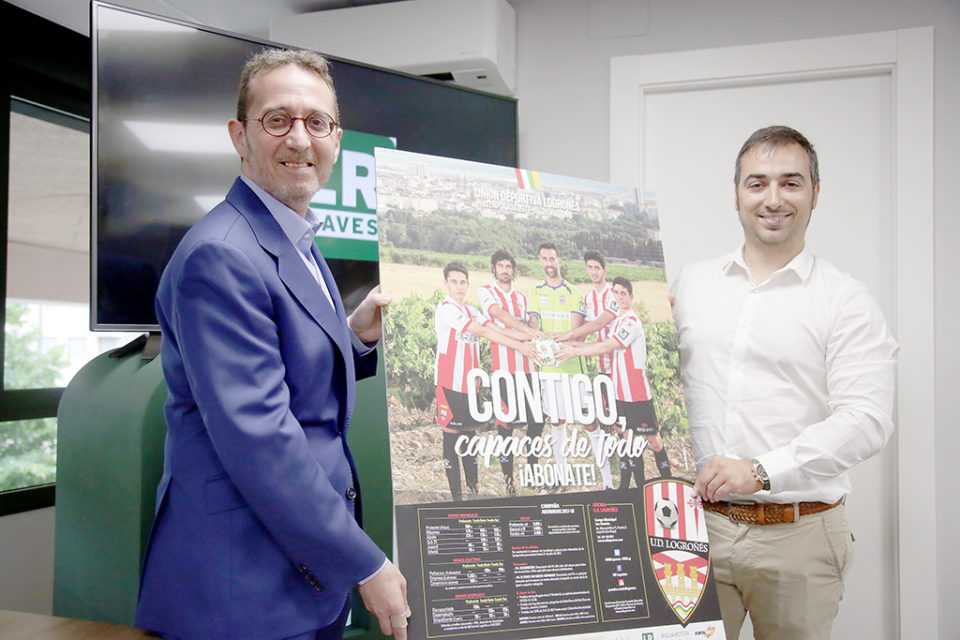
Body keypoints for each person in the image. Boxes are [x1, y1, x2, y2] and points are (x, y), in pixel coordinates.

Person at [135, 49, 409, 640]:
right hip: (240, 584)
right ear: (240, 135)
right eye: (277, 120)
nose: (300, 139)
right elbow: (259, 437)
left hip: (293, 568)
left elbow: (289, 366)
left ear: (337, 138)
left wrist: (354, 333)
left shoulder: (291, 234)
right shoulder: (221, 254)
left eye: (318, 122)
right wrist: (364, 560)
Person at [671, 125, 898, 640]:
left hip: (800, 535)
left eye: (791, 183)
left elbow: (865, 421)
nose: (773, 199)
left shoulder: (845, 300)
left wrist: (761, 471)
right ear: (736, 194)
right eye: (757, 183)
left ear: (815, 193)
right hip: (691, 531)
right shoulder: (690, 284)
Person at [434, 262, 537, 501]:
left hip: (472, 386)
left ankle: (473, 491)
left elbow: (498, 330)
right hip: (449, 383)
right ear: (446, 283)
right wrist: (521, 345)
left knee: (470, 439)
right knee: (451, 438)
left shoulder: (472, 311)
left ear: (467, 284)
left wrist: (535, 336)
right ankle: (456, 498)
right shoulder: (446, 308)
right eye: (454, 282)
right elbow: (485, 333)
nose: (459, 287)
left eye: (463, 282)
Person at [557, 276, 671, 488]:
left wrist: (574, 351)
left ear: (631, 296)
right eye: (615, 293)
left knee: (653, 441)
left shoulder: (631, 322)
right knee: (628, 441)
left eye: (623, 293)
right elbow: (600, 343)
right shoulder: (617, 321)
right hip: (619, 392)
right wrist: (566, 342)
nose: (619, 297)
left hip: (637, 393)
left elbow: (606, 346)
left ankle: (669, 485)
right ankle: (638, 489)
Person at [549, 250, 619, 489]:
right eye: (589, 267)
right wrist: (567, 344)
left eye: (596, 268)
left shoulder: (614, 294)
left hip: (619, 365)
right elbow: (587, 330)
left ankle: (622, 478)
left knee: (620, 425)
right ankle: (609, 481)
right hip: (599, 367)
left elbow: (601, 323)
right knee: (599, 421)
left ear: (604, 270)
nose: (593, 272)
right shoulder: (588, 299)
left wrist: (568, 337)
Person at [476, 250, 541, 496]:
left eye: (508, 266)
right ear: (494, 269)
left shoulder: (523, 298)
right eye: (500, 266)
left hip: (528, 367)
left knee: (536, 421)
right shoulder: (486, 291)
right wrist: (527, 331)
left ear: (514, 270)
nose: (505, 270)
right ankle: (509, 482)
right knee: (506, 427)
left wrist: (531, 329)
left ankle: (533, 474)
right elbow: (497, 315)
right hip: (503, 370)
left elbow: (532, 323)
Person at [527, 242, 587, 486]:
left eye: (552, 258)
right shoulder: (534, 292)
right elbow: (532, 324)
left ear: (559, 261)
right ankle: (562, 475)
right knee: (556, 420)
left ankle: (607, 479)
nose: (549, 263)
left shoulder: (574, 293)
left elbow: (577, 331)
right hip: (549, 370)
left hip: (572, 369)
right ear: (540, 261)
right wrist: (541, 341)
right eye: (544, 259)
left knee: (589, 420)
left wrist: (556, 342)